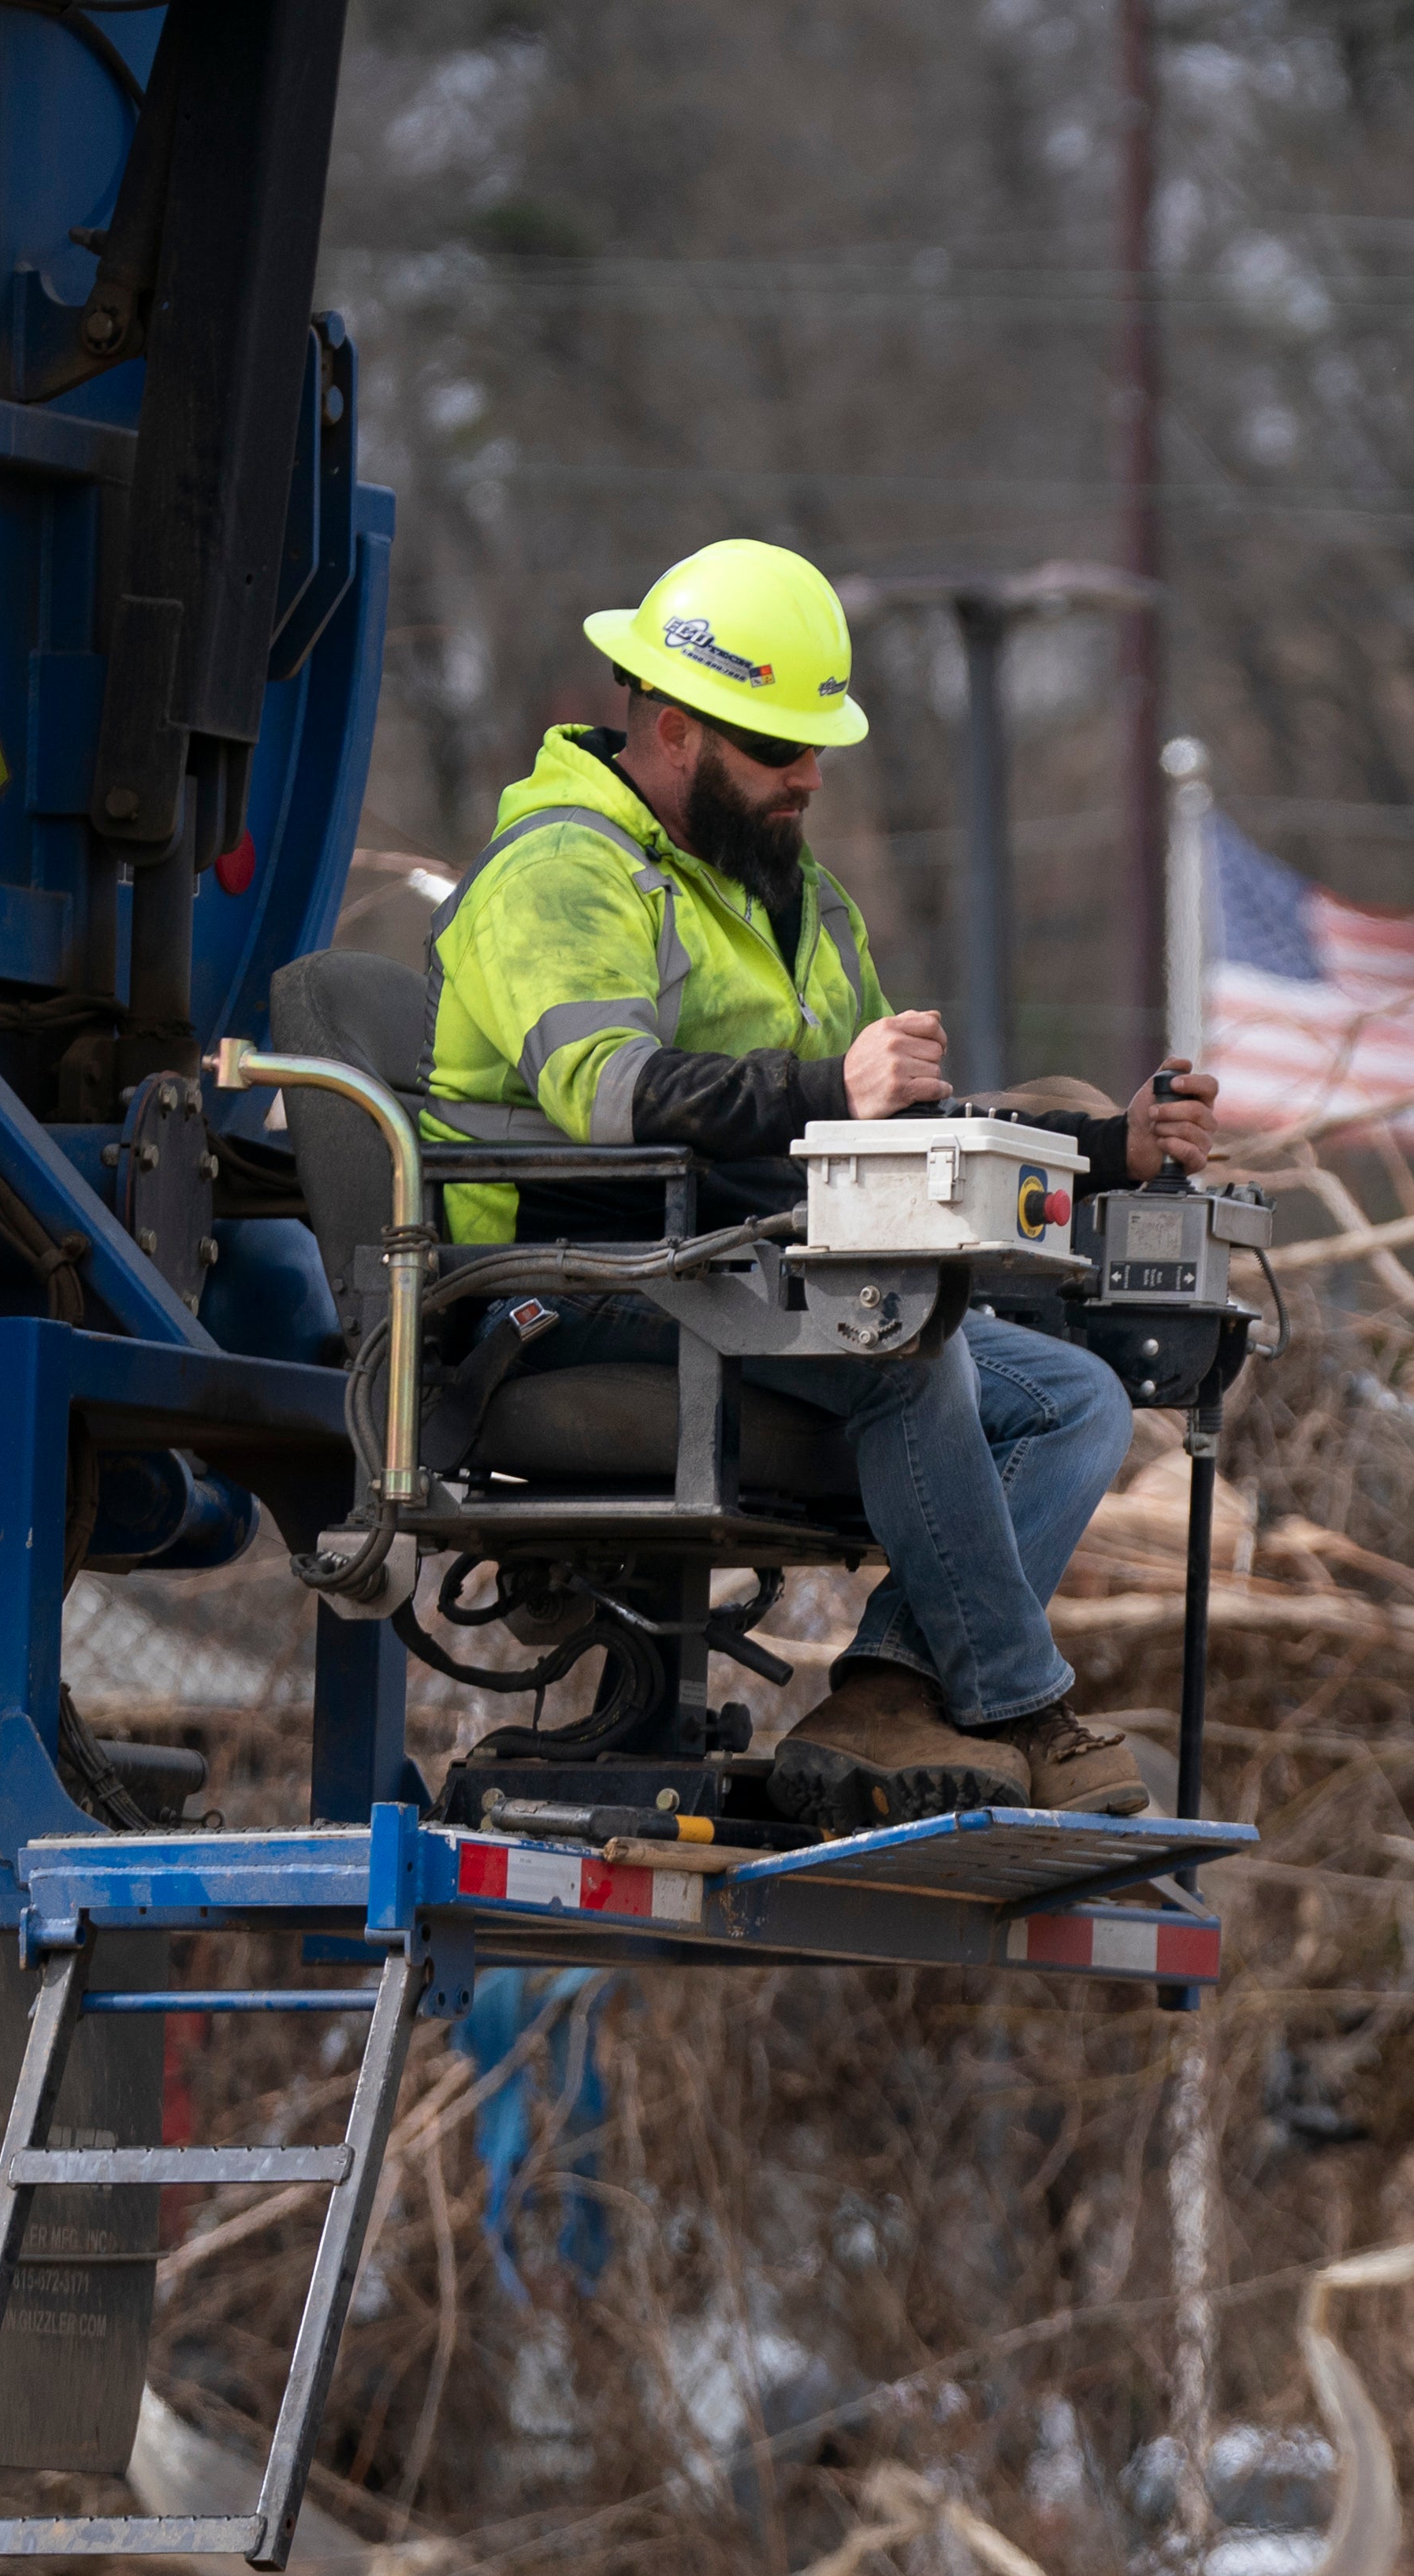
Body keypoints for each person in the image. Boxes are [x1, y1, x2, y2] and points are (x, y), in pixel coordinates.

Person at [419, 534, 1218, 1827]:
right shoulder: (559, 874)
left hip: (745, 1274)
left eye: (817, 752)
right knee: (899, 1351)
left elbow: (880, 1124)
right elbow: (611, 1095)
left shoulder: (799, 903)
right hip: (570, 1292)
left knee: (1073, 1396)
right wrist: (824, 1091)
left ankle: (888, 1699)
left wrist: (1106, 1149)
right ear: (674, 730)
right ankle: (1018, 1704)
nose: (808, 779)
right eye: (777, 751)